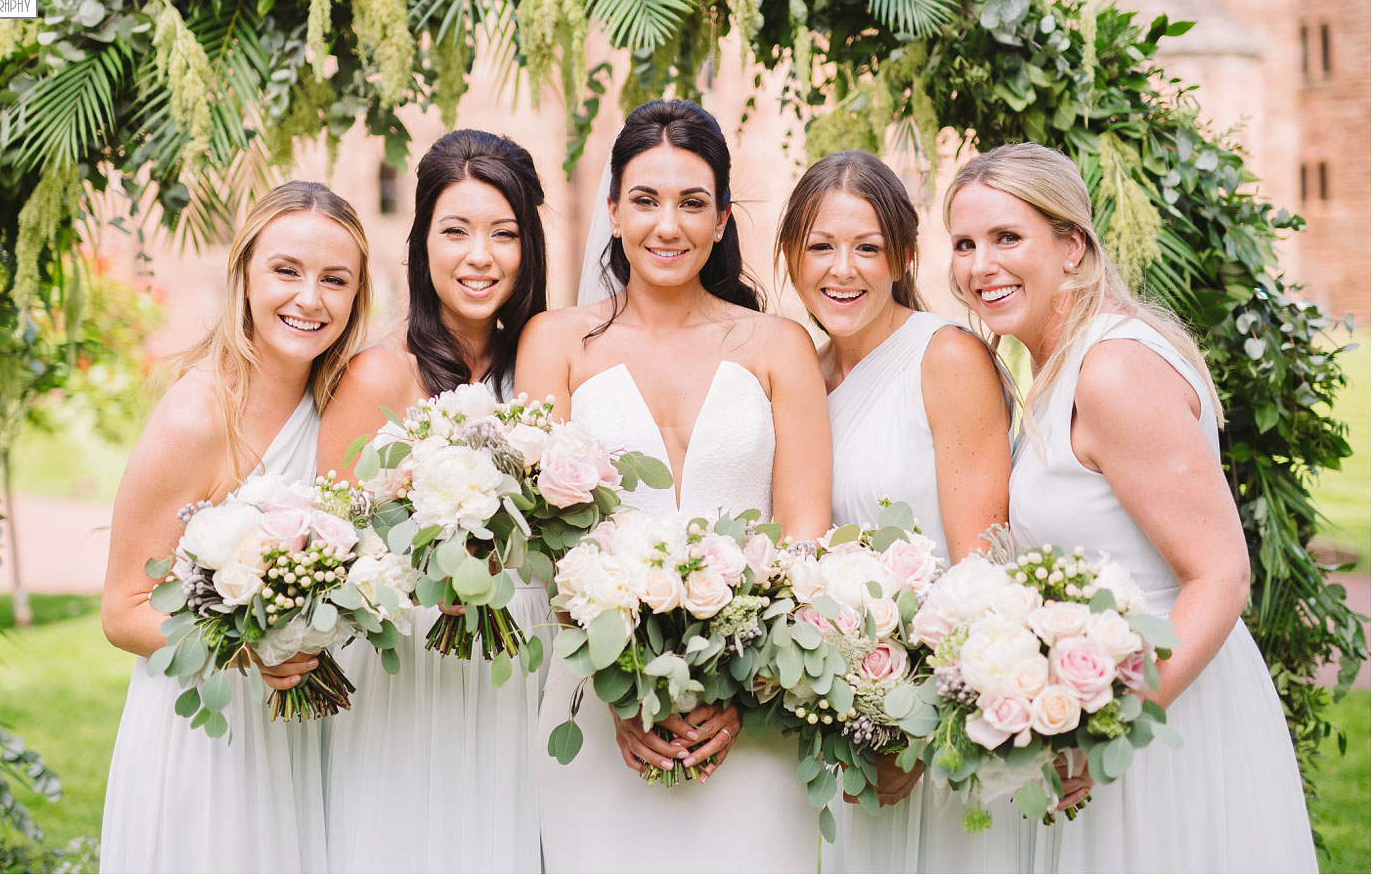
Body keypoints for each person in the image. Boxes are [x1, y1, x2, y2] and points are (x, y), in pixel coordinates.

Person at [945, 141, 1317, 873]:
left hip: (1162, 715)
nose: (980, 266)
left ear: (1073, 247)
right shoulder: (1061, 364)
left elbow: (1220, 576)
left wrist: (1114, 724)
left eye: (1006, 237)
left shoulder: (1113, 369)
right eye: (964, 243)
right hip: (1095, 707)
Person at [519, 98, 833, 873]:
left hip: (753, 711)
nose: (669, 225)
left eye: (694, 203)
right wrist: (622, 695)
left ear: (722, 218)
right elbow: (541, 540)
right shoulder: (556, 342)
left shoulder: (779, 345)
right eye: (647, 200)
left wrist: (742, 690)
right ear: (614, 212)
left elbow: (804, 533)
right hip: (596, 707)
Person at [776, 150, 1038, 872]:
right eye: (821, 246)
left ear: (904, 256)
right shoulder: (802, 374)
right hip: (842, 721)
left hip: (936, 725)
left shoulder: (946, 357)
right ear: (791, 255)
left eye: (868, 247)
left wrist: (920, 732)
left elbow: (982, 564)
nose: (843, 269)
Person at [100, 181, 371, 873]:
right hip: (203, 729)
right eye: (286, 270)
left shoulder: (339, 408)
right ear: (243, 274)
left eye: (334, 279)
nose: (310, 299)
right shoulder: (196, 415)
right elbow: (124, 610)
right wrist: (256, 648)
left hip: (294, 736)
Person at [316, 129, 551, 873]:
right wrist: (431, 576)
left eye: (503, 233)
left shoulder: (545, 367)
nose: (479, 256)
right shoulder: (379, 376)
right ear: (422, 244)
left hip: (521, 668)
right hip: (412, 678)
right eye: (456, 231)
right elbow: (333, 550)